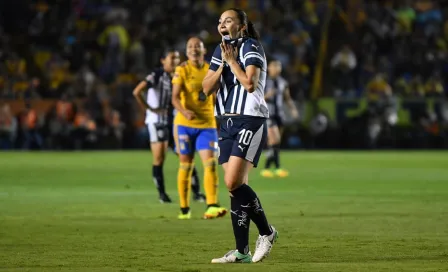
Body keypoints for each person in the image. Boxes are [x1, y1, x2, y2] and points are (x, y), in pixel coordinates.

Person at [202, 8, 278, 264]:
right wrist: (223, 60)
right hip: (225, 122)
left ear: (242, 26)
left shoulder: (251, 46)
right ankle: (241, 252)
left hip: (250, 118)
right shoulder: (219, 51)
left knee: (232, 181)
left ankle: (267, 232)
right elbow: (206, 88)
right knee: (236, 189)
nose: (222, 24)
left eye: (229, 20)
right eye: (220, 21)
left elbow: (249, 83)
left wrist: (232, 61)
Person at [133, 50, 205, 204]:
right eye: (172, 58)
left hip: (174, 121)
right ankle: (162, 194)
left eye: (177, 58)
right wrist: (150, 109)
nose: (175, 61)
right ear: (163, 60)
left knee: (186, 155)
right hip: (157, 121)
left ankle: (197, 192)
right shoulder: (156, 75)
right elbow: (137, 91)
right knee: (159, 158)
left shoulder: (179, 74)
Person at [172, 37, 227, 220]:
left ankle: (212, 205)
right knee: (186, 165)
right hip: (185, 125)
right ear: (186, 51)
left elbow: (218, 93)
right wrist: (184, 111)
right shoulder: (182, 69)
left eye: (197, 46)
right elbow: (174, 98)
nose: (194, 49)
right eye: (190, 46)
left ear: (204, 50)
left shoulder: (210, 68)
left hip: (207, 124)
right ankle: (184, 208)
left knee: (210, 163)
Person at [261, 59, 299, 178]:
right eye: (274, 66)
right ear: (269, 68)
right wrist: (267, 96)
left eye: (279, 66)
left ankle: (270, 168)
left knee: (275, 143)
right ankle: (273, 167)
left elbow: (287, 98)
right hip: (268, 114)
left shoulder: (283, 82)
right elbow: (256, 98)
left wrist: (293, 109)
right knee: (274, 139)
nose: (277, 68)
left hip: (280, 115)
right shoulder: (264, 82)